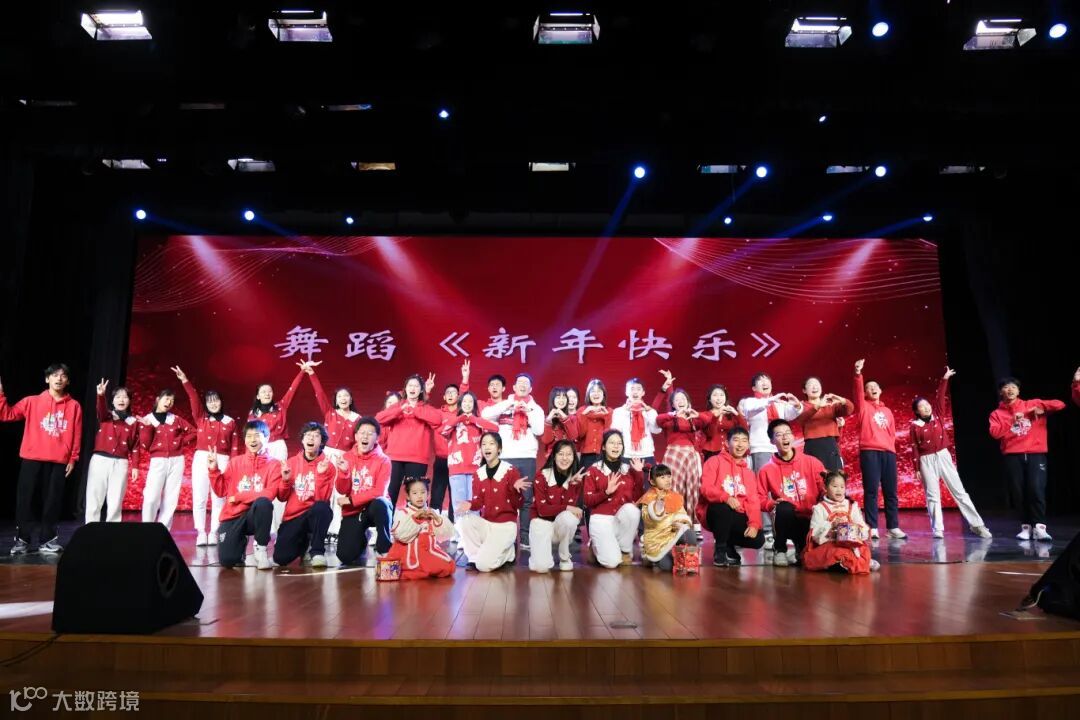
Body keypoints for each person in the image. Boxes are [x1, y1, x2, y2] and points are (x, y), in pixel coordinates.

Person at [0, 364, 83, 555]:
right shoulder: (32, 401)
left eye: (63, 376)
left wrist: (73, 458)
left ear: (68, 381)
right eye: (54, 375)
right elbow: (6, 414)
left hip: (58, 461)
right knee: (26, 501)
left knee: (52, 502)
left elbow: (77, 434)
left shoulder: (74, 406)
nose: (59, 378)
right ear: (47, 379)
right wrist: (1, 395)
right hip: (32, 458)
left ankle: (47, 540)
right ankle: (22, 540)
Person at [910, 367, 992, 539]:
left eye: (927, 405)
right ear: (917, 411)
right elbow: (915, 447)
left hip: (943, 456)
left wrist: (945, 379)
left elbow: (940, 398)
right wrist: (916, 468)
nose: (926, 407)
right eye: (922, 406)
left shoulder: (938, 416)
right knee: (932, 495)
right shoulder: (915, 426)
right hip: (926, 460)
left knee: (959, 492)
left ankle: (977, 525)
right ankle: (937, 529)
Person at [988, 377, 1066, 541]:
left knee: (1036, 489)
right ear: (1001, 392)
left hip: (1035, 454)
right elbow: (995, 433)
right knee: (1019, 492)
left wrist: (1042, 409)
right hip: (1012, 456)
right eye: (1006, 387)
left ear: (1018, 391)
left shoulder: (1032, 404)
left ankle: (1040, 527)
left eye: (1013, 387)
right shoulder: (997, 414)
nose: (1010, 389)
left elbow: (1060, 404)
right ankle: (1026, 527)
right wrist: (1012, 420)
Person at [174, 366, 238, 545]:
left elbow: (234, 446)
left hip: (223, 459)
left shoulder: (230, 422)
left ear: (221, 402)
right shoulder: (201, 418)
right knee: (200, 497)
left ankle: (214, 531)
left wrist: (232, 464)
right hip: (202, 458)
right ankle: (201, 532)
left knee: (219, 498)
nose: (213, 404)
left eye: (216, 400)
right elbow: (193, 399)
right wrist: (185, 381)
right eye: (209, 401)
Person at [480, 373, 544, 545]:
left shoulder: (536, 408)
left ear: (530, 389)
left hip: (527, 457)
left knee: (526, 498)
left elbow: (539, 430)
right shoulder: (505, 404)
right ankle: (505, 536)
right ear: (514, 387)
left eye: (526, 383)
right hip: (506, 456)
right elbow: (485, 415)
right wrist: (510, 403)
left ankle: (524, 536)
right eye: (519, 382)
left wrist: (527, 410)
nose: (522, 385)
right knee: (503, 498)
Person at [209, 420, 282, 569]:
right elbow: (221, 491)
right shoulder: (235, 462)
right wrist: (213, 470)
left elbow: (269, 493)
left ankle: (261, 550)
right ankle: (239, 545)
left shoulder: (275, 464)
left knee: (263, 503)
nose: (252, 440)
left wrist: (239, 497)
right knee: (228, 560)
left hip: (255, 516)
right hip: (233, 515)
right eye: (249, 436)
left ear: (267, 437)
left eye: (257, 435)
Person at [455, 432, 529, 572]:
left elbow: (518, 504)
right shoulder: (478, 473)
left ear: (499, 449)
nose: (487, 447)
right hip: (487, 525)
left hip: (505, 527)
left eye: (491, 444)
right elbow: (478, 502)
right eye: (483, 444)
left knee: (484, 566)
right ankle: (474, 557)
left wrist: (516, 490)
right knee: (464, 520)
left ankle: (508, 553)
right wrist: (470, 504)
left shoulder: (510, 471)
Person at [300, 361, 357, 542]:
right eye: (340, 396)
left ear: (351, 399)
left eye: (346, 396)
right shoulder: (330, 413)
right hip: (328, 456)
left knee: (341, 492)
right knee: (326, 491)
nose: (343, 399)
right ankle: (322, 529)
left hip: (345, 457)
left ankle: (338, 529)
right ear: (336, 399)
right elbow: (319, 394)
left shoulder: (357, 419)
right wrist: (311, 374)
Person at [757, 419, 826, 566]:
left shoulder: (812, 462)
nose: (785, 437)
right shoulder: (766, 470)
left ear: (793, 436)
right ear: (772, 441)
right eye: (779, 435)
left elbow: (825, 487)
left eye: (787, 433)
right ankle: (780, 549)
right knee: (783, 507)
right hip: (787, 521)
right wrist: (771, 504)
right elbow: (759, 498)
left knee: (809, 559)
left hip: (812, 520)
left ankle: (802, 546)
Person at [249, 365, 307, 534]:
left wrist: (302, 371)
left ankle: (281, 523)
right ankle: (266, 525)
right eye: (263, 392)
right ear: (258, 396)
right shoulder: (253, 414)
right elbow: (250, 436)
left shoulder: (280, 407)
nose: (267, 394)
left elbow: (292, 390)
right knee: (264, 483)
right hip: (262, 448)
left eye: (269, 391)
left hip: (278, 446)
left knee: (281, 482)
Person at [853, 359, 905, 539]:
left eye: (875, 386)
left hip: (888, 453)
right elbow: (857, 392)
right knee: (871, 490)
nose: (872, 388)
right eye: (868, 387)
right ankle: (872, 526)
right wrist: (858, 374)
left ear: (880, 390)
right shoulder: (863, 407)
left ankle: (893, 527)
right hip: (870, 451)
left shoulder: (888, 411)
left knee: (891, 491)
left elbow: (892, 433)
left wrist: (890, 448)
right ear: (865, 393)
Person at [697, 427, 765, 567]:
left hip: (737, 514)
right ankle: (720, 550)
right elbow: (706, 488)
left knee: (758, 540)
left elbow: (753, 501)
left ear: (748, 445)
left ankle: (729, 545)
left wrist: (754, 524)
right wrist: (725, 497)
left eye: (744, 441)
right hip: (715, 512)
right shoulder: (714, 461)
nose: (740, 445)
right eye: (736, 440)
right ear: (727, 443)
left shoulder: (748, 473)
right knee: (722, 508)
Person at [375, 373, 443, 509]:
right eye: (410, 385)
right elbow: (379, 419)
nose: (413, 388)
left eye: (416, 386)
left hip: (417, 458)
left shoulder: (425, 408)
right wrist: (399, 410)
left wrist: (415, 410)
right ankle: (387, 521)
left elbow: (437, 420)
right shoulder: (398, 406)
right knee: (390, 493)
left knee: (415, 496)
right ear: (405, 389)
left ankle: (416, 522)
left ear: (421, 390)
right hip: (395, 457)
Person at [274, 421, 335, 568]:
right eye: (307, 435)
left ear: (322, 442)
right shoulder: (291, 463)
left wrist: (321, 475)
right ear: (302, 440)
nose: (311, 438)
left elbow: (323, 499)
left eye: (316, 436)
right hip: (294, 516)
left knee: (322, 508)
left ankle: (317, 552)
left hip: (314, 513)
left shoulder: (328, 466)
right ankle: (304, 544)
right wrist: (286, 480)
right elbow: (282, 497)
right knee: (281, 558)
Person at [334, 417, 394, 566]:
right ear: (356, 436)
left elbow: (379, 491)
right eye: (362, 433)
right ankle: (363, 537)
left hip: (374, 508)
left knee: (380, 503)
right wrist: (344, 473)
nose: (365, 436)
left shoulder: (384, 460)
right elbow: (342, 489)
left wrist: (351, 500)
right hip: (354, 511)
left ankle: (384, 548)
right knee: (345, 556)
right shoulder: (347, 457)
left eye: (370, 433)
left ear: (377, 438)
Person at [582, 430, 645, 568]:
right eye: (612, 443)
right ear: (604, 447)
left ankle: (624, 550)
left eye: (619, 443)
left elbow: (637, 499)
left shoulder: (628, 469)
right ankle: (595, 546)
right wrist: (606, 492)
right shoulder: (593, 470)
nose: (616, 446)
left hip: (620, 520)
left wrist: (639, 474)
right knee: (611, 563)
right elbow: (587, 501)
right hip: (601, 520)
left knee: (632, 510)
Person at [442, 391, 498, 544]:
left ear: (474, 405)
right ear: (460, 404)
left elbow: (495, 429)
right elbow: (443, 430)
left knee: (474, 503)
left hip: (475, 469)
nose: (467, 404)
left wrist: (473, 419)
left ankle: (473, 535)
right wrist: (460, 418)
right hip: (456, 468)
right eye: (464, 401)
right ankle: (460, 535)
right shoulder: (454, 421)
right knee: (459, 503)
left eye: (470, 402)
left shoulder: (477, 422)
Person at [654, 372, 705, 531]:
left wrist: (694, 415)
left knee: (692, 488)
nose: (681, 401)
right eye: (677, 400)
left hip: (690, 455)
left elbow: (707, 420)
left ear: (688, 402)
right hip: (674, 454)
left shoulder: (694, 418)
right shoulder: (669, 419)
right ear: (673, 404)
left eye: (683, 399)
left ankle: (693, 522)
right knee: (672, 487)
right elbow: (658, 418)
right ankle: (673, 520)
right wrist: (673, 412)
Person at [802, 470, 879, 574]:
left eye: (842, 487)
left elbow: (862, 526)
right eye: (835, 486)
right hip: (830, 544)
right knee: (836, 551)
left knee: (862, 549)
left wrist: (854, 529)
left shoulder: (852, 506)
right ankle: (847, 563)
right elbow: (814, 534)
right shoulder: (819, 508)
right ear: (825, 488)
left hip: (851, 544)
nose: (839, 490)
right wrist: (831, 526)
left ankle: (852, 562)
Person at [139, 388, 195, 529]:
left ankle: (163, 531)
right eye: (166, 398)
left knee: (171, 499)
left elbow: (194, 432)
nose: (169, 402)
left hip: (177, 460)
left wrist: (181, 442)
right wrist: (147, 427)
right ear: (158, 399)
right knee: (151, 497)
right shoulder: (147, 419)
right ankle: (146, 529)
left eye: (172, 400)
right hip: (158, 460)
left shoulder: (175, 419)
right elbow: (145, 445)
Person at [85, 379, 139, 524]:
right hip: (100, 460)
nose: (121, 400)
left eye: (125, 397)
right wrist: (101, 395)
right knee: (94, 497)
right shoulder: (106, 416)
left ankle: (112, 530)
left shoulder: (133, 422)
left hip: (121, 462)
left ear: (129, 401)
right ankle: (91, 528)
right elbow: (101, 408)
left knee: (116, 499)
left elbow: (135, 446)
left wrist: (135, 466)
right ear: (113, 401)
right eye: (118, 397)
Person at [528, 439, 585, 573]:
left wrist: (573, 486)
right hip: (541, 522)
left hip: (560, 525)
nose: (565, 458)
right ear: (554, 456)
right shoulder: (541, 476)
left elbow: (573, 512)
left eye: (569, 454)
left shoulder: (576, 479)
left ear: (574, 457)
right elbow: (542, 510)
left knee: (569, 518)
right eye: (561, 454)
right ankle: (537, 555)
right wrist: (567, 507)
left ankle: (564, 557)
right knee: (541, 568)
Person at [386, 477, 456, 580]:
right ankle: (414, 570)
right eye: (415, 493)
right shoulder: (403, 513)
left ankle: (421, 569)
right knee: (402, 567)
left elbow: (445, 536)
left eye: (423, 492)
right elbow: (401, 536)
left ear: (428, 494)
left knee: (448, 566)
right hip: (404, 553)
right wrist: (414, 518)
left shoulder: (431, 512)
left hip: (426, 552)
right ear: (408, 496)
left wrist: (437, 519)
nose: (419, 496)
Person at [637, 463, 697, 572]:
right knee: (667, 566)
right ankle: (653, 559)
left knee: (690, 534)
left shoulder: (674, 496)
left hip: (672, 534)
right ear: (652, 482)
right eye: (662, 477)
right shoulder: (648, 497)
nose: (667, 480)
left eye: (669, 476)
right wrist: (658, 505)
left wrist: (681, 523)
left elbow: (682, 514)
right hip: (657, 541)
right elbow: (648, 519)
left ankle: (687, 560)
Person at [795, 377, 853, 472]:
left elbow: (849, 409)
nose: (815, 387)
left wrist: (840, 399)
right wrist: (818, 406)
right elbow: (801, 419)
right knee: (815, 477)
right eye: (811, 385)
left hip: (830, 445)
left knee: (835, 477)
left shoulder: (830, 404)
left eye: (817, 384)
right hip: (813, 446)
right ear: (804, 390)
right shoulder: (802, 406)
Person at [610, 377, 663, 465]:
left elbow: (657, 430)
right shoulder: (619, 411)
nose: (635, 392)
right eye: (632, 389)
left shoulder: (649, 411)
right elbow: (615, 431)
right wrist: (625, 412)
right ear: (626, 392)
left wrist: (649, 412)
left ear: (643, 392)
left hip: (647, 454)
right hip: (626, 455)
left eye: (638, 389)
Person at [699, 384, 745, 462]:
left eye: (721, 395)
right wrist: (716, 416)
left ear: (725, 398)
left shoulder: (731, 415)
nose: (719, 398)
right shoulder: (705, 415)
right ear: (709, 399)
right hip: (712, 452)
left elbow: (744, 429)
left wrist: (736, 413)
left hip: (730, 451)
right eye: (715, 395)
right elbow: (710, 433)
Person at [539, 386, 580, 466]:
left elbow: (573, 436)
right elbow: (546, 440)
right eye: (558, 397)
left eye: (564, 397)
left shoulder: (572, 418)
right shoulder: (547, 419)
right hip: (552, 459)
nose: (561, 400)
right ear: (553, 399)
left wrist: (564, 417)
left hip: (568, 459)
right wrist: (549, 421)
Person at [577, 378, 612, 469]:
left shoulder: (609, 411)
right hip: (586, 455)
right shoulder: (581, 411)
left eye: (599, 391)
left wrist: (606, 416)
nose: (596, 394)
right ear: (588, 394)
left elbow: (609, 436)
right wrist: (584, 414)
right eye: (593, 391)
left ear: (603, 394)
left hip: (605, 454)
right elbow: (580, 434)